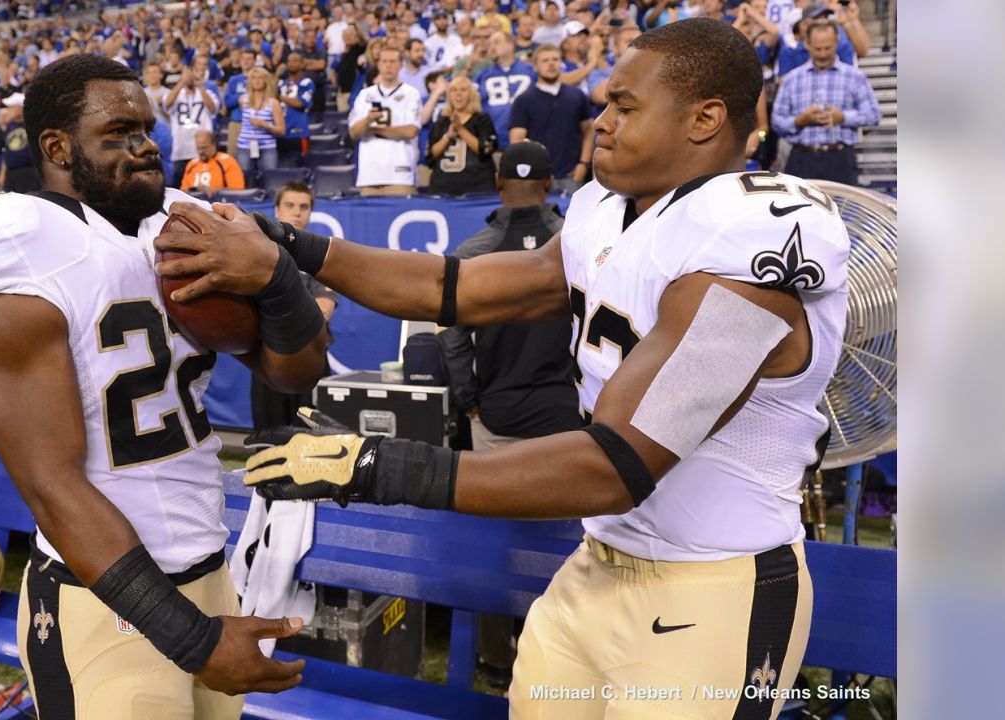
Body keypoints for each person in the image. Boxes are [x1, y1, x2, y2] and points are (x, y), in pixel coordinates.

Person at [161, 18, 849, 720]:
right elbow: (452, 289)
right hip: (596, 567)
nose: (600, 123)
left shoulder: (755, 253)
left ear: (704, 120)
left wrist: (376, 466)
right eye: (606, 104)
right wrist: (293, 250)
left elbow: (616, 465)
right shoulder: (608, 211)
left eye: (625, 106)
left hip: (711, 589)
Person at [0, 54, 330, 719]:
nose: (146, 146)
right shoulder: (12, 245)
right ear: (56, 147)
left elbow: (297, 370)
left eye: (147, 127)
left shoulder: (188, 223)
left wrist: (280, 282)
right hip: (106, 599)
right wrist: (190, 639)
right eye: (118, 132)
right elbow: (50, 485)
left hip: (209, 569)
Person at [438, 141, 580, 690]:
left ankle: (498, 663)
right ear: (550, 185)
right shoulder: (577, 245)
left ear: (497, 183)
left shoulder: (477, 247)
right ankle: (558, 664)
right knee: (565, 551)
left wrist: (467, 394)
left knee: (497, 547)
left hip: (494, 415)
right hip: (564, 420)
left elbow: (451, 333)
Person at [248, 181, 338, 431]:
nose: (297, 212)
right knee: (268, 447)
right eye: (290, 205)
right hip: (267, 363)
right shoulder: (256, 254)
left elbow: (323, 311)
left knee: (317, 448)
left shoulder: (323, 258)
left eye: (304, 206)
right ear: (277, 210)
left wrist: (276, 317)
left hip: (311, 362)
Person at [771, 20, 880, 185]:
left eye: (828, 48)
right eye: (817, 49)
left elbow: (873, 115)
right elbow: (776, 120)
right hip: (801, 160)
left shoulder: (855, 77)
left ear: (836, 43)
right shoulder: (792, 79)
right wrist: (800, 121)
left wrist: (843, 117)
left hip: (841, 160)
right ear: (807, 44)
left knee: (843, 210)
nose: (823, 54)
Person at [509, 45, 595, 192]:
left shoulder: (577, 95)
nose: (551, 63)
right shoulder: (523, 100)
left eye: (555, 59)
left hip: (572, 175)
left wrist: (583, 164)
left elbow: (589, 131)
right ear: (535, 66)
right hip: (538, 178)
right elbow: (517, 142)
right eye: (545, 60)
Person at [348, 45, 421, 196]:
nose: (388, 65)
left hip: (400, 174)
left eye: (393, 61)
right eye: (385, 61)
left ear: (401, 64)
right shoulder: (364, 95)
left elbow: (411, 131)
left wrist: (375, 129)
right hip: (370, 175)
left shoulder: (411, 93)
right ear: (378, 64)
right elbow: (354, 132)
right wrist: (368, 120)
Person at [426, 75, 498, 195]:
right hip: (443, 188)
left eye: (463, 90)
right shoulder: (441, 122)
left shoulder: (482, 119)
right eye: (454, 90)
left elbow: (486, 150)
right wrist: (448, 136)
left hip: (477, 188)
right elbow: (429, 156)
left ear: (471, 95)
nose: (458, 94)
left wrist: (461, 130)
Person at [164, 57, 221, 182]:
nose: (190, 77)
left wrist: (200, 86)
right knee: (179, 186)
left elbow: (213, 109)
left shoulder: (208, 93)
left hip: (201, 149)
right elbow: (167, 104)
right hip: (180, 149)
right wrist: (181, 82)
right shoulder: (176, 92)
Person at [475, 32, 535, 149]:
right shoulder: (482, 75)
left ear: (510, 45)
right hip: (494, 143)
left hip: (529, 141)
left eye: (496, 42)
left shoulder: (531, 70)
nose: (491, 47)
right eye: (490, 43)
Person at [235, 66, 285, 177]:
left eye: (260, 78)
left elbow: (281, 130)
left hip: (267, 147)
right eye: (254, 78)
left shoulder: (273, 103)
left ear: (266, 81)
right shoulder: (243, 100)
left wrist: (266, 125)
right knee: (245, 179)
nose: (257, 81)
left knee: (270, 178)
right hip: (244, 146)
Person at [180, 130, 247, 196]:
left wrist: (212, 191)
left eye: (204, 148)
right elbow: (183, 191)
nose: (201, 152)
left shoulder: (227, 161)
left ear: (213, 145)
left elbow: (238, 190)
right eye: (198, 148)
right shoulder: (191, 164)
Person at [0, 93, 41, 194]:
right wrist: (2, 175)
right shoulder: (10, 125)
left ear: (21, 108)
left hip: (29, 173)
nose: (8, 110)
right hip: (11, 174)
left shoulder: (32, 125)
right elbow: (6, 151)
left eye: (12, 107)